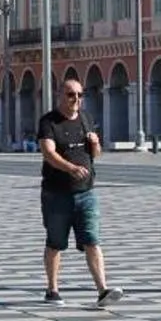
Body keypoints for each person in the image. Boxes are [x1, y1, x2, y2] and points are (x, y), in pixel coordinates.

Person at [38, 78, 116, 307]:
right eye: (71, 95)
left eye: (80, 95)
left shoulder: (85, 119)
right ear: (60, 96)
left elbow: (96, 154)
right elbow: (48, 153)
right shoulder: (49, 122)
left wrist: (95, 143)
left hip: (86, 192)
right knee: (55, 243)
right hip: (57, 194)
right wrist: (71, 168)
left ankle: (103, 290)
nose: (76, 100)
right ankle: (52, 289)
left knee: (92, 239)